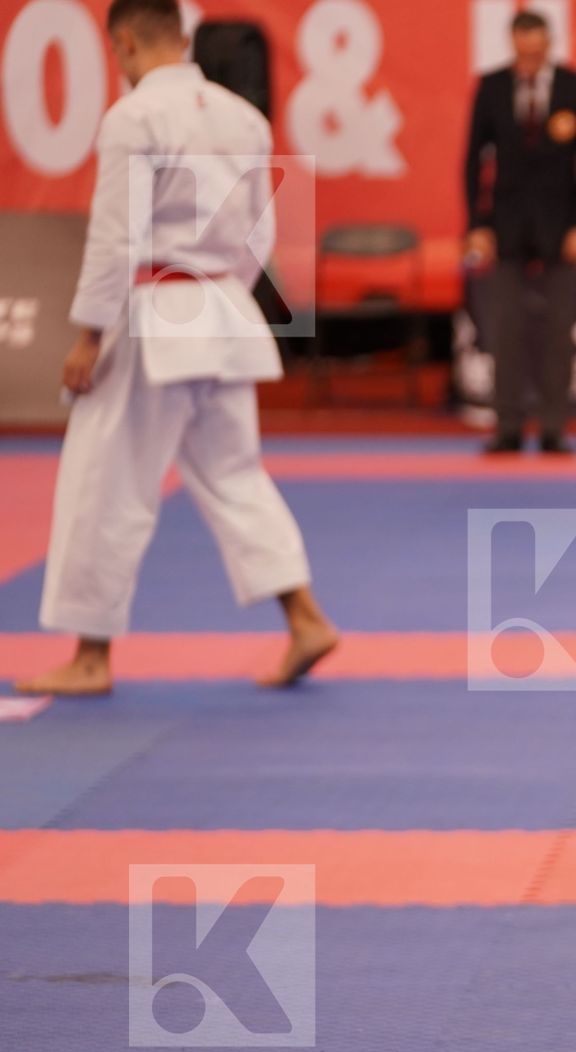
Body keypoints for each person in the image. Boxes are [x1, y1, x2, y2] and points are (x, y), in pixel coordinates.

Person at [15, 0, 337, 698]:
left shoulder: (133, 117)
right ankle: (304, 617)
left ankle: (91, 656)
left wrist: (89, 333)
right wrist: (223, 295)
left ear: (123, 42)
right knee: (235, 475)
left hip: (155, 315)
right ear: (183, 37)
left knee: (104, 480)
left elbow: (115, 235)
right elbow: (260, 231)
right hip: (224, 309)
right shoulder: (243, 116)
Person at [463, 9, 576, 455]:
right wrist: (477, 226)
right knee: (505, 328)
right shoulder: (492, 87)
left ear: (548, 46)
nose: (529, 61)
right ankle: (506, 426)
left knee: (559, 330)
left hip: (562, 226)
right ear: (513, 47)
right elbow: (473, 161)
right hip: (505, 226)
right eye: (522, 53)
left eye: (537, 52)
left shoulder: (575, 87)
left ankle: (553, 427)